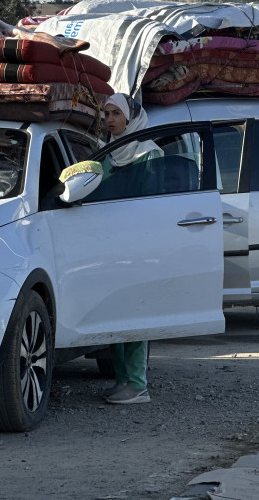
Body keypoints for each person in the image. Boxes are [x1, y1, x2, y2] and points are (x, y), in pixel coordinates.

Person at [99, 92, 161, 405]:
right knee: (114, 315)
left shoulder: (149, 154)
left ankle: (138, 384)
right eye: (106, 113)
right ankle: (123, 379)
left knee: (136, 315)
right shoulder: (106, 153)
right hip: (110, 247)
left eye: (115, 113)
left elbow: (152, 204)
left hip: (139, 246)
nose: (109, 119)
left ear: (130, 117)